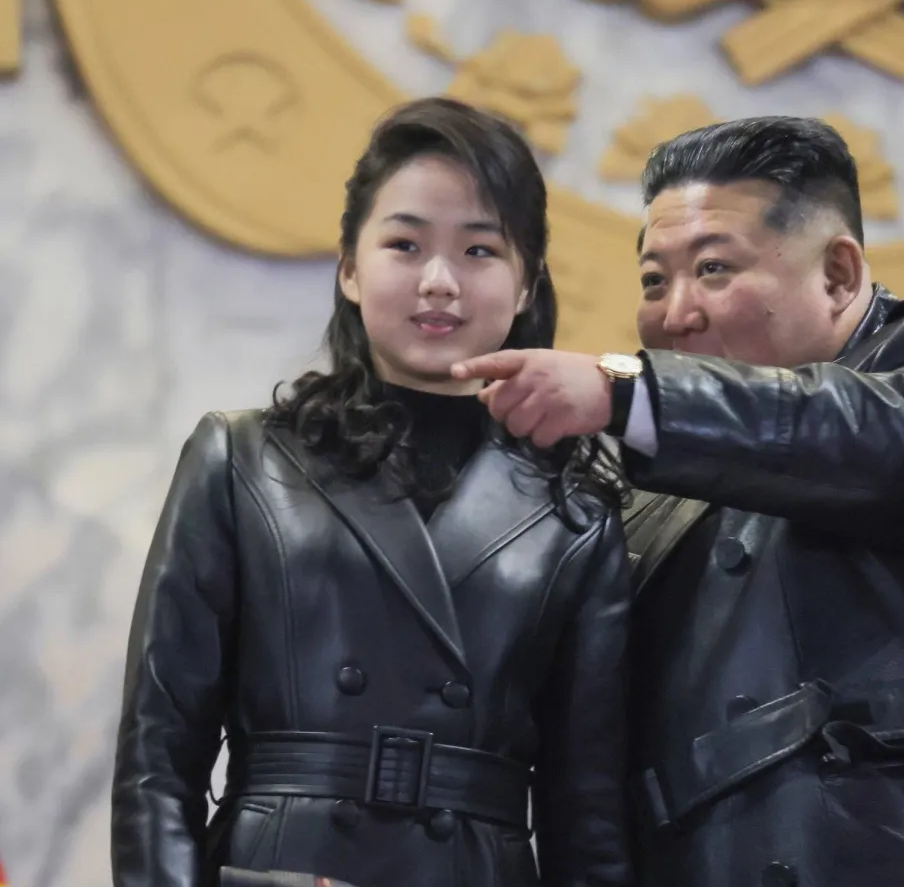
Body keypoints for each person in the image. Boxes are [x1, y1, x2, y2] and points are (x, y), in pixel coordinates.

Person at [453, 116, 904, 887]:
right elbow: (588, 778)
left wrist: (629, 393)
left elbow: (867, 438)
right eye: (653, 280)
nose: (674, 313)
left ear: (840, 275)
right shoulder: (639, 499)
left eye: (713, 269)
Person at [112, 98, 633, 887]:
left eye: (480, 250)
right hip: (281, 866)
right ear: (351, 269)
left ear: (527, 283)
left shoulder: (579, 510)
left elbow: (587, 817)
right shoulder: (244, 457)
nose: (438, 281)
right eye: (405, 243)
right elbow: (158, 757)